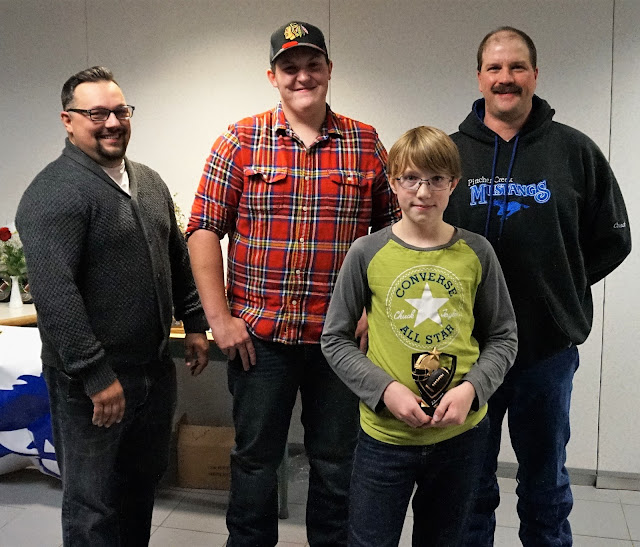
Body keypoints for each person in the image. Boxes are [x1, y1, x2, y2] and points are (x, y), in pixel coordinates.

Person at [187, 20, 399, 547]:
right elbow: (203, 229)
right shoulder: (240, 140)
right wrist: (218, 319)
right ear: (272, 76)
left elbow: (396, 233)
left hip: (340, 341)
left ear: (329, 70)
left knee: (336, 464)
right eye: (289, 67)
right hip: (260, 341)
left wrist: (374, 309)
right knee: (256, 462)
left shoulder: (365, 142)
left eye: (312, 65)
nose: (302, 76)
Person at [443, 27, 632, 546]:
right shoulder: (450, 154)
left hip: (545, 352)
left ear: (535, 75)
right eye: (495, 68)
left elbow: (614, 238)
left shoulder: (574, 150)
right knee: (469, 487)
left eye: (517, 67)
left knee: (545, 487)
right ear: (479, 77)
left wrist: (562, 286)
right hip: (467, 352)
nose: (505, 78)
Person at [15, 66, 210, 546]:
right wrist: (96, 375)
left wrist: (195, 323)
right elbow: (55, 293)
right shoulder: (54, 192)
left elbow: (176, 259)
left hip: (152, 370)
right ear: (68, 120)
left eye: (120, 111)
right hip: (92, 384)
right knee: (93, 507)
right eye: (97, 113)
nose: (113, 123)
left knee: (138, 489)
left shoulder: (147, 181)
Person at [321, 126, 517, 547]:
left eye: (436, 179)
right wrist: (385, 390)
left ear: (454, 184)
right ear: (393, 183)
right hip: (385, 437)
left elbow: (504, 336)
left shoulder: (477, 252)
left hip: (459, 438)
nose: (423, 191)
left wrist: (471, 391)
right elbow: (334, 338)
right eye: (410, 178)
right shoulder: (367, 252)